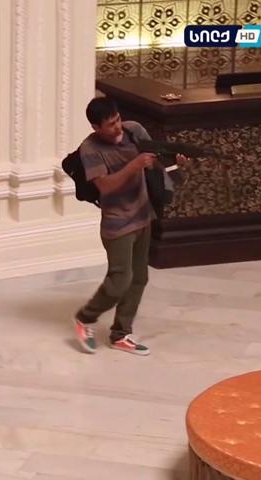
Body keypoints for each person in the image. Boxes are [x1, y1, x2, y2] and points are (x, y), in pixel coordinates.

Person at [72, 98, 189, 356]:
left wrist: (176, 164)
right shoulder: (90, 149)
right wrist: (133, 165)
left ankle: (121, 334)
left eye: (118, 119)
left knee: (139, 278)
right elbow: (105, 186)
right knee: (119, 281)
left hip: (143, 215)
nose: (118, 127)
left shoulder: (134, 130)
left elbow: (156, 161)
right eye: (110, 124)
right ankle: (85, 317)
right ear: (96, 127)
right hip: (118, 223)